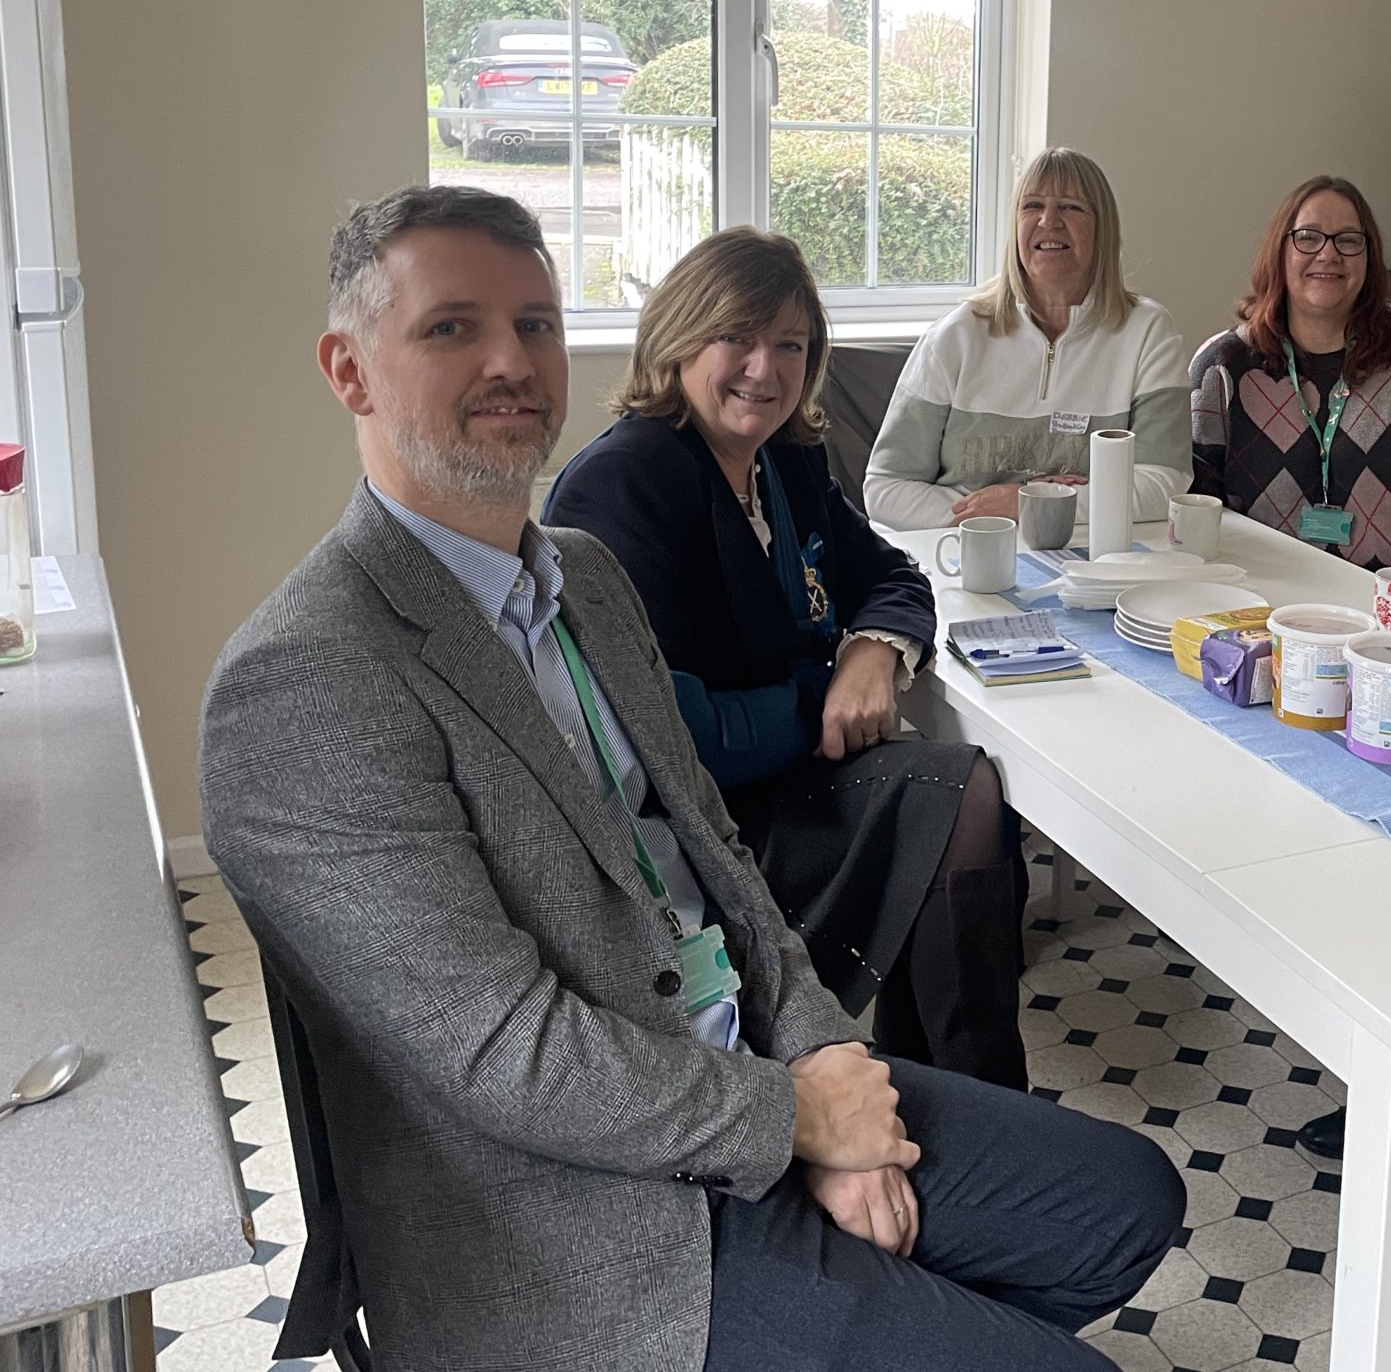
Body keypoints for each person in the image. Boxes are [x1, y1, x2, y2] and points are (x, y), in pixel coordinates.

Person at [201, 187, 1179, 1371]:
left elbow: (719, 865)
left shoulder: (584, 580)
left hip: (741, 1065)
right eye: (452, 327)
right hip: (570, 1217)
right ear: (349, 371)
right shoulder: (309, 677)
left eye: (540, 324)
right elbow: (502, 1053)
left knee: (1125, 1198)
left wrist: (822, 1056)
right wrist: (800, 1121)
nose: (513, 361)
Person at [546, 227, 1028, 1090]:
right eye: (737, 336)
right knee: (955, 797)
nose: (764, 369)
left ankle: (946, 1093)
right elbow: (669, 729)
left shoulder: (785, 461)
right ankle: (974, 1093)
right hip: (698, 826)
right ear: (678, 338)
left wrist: (875, 652)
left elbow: (891, 572)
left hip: (797, 775)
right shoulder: (621, 487)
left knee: (961, 796)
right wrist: (823, 695)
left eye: (791, 345)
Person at [1189, 174, 1391, 593]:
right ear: (1278, 252)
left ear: (1369, 257)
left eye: (1348, 240)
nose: (1329, 254)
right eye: (1308, 237)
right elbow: (1199, 505)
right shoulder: (1223, 367)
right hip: (1254, 603)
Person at [866, 148, 1189, 532]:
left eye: (1071, 207)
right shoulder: (954, 336)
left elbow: (1163, 485)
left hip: (1091, 561)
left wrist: (1032, 502)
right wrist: (994, 512)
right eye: (1032, 205)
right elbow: (885, 490)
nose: (1048, 221)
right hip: (962, 558)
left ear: (1104, 228)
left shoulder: (1148, 331)